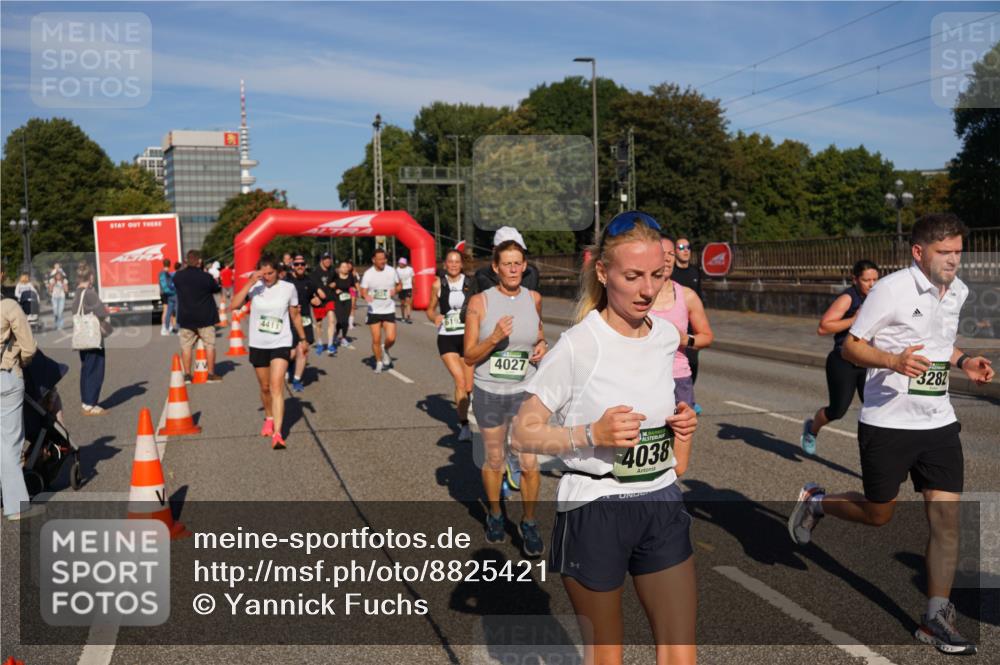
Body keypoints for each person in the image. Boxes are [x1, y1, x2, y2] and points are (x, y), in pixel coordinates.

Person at [789, 214, 994, 656]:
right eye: (944, 253)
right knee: (878, 513)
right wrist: (892, 362)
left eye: (958, 251)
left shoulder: (956, 291)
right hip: (888, 422)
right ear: (918, 252)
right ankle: (818, 503)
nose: (954, 261)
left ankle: (936, 615)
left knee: (947, 521)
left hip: (938, 419)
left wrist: (964, 362)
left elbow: (942, 342)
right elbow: (851, 345)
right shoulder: (892, 289)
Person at [511, 211, 699, 665]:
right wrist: (590, 433)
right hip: (595, 508)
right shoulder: (579, 344)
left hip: (660, 500)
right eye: (632, 276)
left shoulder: (667, 336)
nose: (647, 289)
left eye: (657, 275)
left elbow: (665, 417)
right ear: (603, 272)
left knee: (681, 655)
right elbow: (523, 432)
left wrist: (682, 427)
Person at [464, 237, 547, 556]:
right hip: (489, 391)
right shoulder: (479, 302)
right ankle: (496, 514)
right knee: (495, 459)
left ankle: (528, 522)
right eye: (506, 263)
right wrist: (495, 338)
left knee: (529, 463)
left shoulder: (535, 298)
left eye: (518, 263)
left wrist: (542, 346)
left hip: (525, 392)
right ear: (495, 268)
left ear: (524, 267)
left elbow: (537, 334)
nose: (512, 268)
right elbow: (469, 355)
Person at [800, 260, 880, 455]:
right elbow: (823, 327)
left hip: (868, 361)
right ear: (855, 280)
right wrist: (854, 319)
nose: (871, 284)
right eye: (866, 280)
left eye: (875, 279)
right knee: (837, 410)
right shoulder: (848, 298)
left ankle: (875, 454)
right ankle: (811, 430)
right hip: (843, 362)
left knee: (875, 411)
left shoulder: (881, 296)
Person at [650, 236, 713, 473]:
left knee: (678, 465)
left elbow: (707, 336)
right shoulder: (637, 294)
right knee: (645, 444)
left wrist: (686, 339)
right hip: (644, 377)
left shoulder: (686, 296)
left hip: (679, 377)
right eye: (661, 253)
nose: (666, 258)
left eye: (670, 254)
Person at [232, 255, 308, 450]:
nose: (267, 277)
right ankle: (269, 417)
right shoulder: (255, 288)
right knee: (265, 387)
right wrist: (250, 282)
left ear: (278, 272)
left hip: (281, 342)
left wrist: (302, 338)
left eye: (271, 273)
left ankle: (278, 433)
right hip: (259, 343)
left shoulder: (288, 288)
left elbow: (295, 315)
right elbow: (234, 305)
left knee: (276, 387)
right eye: (263, 273)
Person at [426, 249, 476, 443]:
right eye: (450, 262)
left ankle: (470, 412)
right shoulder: (439, 284)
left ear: (461, 264)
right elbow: (429, 310)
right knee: (460, 381)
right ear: (445, 264)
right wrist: (434, 317)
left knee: (469, 385)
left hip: (468, 337)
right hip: (447, 337)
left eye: (457, 262)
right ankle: (464, 425)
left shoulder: (471, 284)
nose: (453, 265)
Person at [2, 273, 38, 520]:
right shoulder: (8, 306)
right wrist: (20, 362)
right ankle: (15, 505)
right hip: (5, 376)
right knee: (10, 442)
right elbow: (29, 347)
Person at [172, 250, 222, 383]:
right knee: (209, 345)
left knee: (186, 346)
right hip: (205, 317)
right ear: (199, 261)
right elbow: (216, 288)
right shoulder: (206, 277)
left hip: (186, 318)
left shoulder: (178, 276)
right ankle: (211, 374)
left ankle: (187, 375)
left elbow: (176, 285)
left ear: (186, 261)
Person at [71, 265, 112, 415]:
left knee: (86, 369)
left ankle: (86, 402)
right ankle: (90, 403)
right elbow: (101, 312)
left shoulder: (77, 293)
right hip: (93, 337)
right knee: (95, 369)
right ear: (91, 277)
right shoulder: (89, 293)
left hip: (82, 337)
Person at [670, 236, 703, 413]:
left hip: (690, 328)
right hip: (674, 326)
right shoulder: (671, 273)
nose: (685, 250)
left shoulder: (695, 272)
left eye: (688, 247)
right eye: (681, 247)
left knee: (693, 362)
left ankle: (689, 393)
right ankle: (677, 399)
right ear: (675, 251)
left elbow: (699, 298)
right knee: (675, 364)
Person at [360, 249, 401, 374]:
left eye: (384, 259)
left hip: (388, 308)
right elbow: (363, 291)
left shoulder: (391, 270)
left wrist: (396, 290)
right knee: (376, 339)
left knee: (391, 338)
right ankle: (378, 362)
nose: (383, 261)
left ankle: (385, 348)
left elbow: (399, 285)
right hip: (374, 310)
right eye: (380, 259)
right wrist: (365, 296)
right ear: (374, 260)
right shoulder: (368, 274)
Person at [287, 255, 320, 392]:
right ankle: (289, 364)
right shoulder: (286, 281)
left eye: (302, 264)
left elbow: (315, 296)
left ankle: (296, 379)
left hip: (305, 319)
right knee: (292, 352)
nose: (299, 266)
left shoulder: (309, 281)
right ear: (292, 266)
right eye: (297, 264)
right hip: (289, 320)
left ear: (306, 265)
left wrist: (316, 301)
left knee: (304, 349)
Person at [475, 227, 541, 292]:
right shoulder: (483, 275)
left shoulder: (530, 273)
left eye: (517, 249)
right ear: (494, 251)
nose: (513, 269)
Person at [311, 252, 338, 355]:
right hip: (318, 301)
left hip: (329, 299)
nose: (328, 261)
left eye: (329, 259)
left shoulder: (332, 270)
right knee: (319, 324)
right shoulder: (315, 272)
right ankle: (320, 343)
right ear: (321, 260)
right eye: (325, 259)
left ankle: (330, 345)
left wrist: (335, 284)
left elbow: (337, 279)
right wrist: (317, 290)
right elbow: (311, 284)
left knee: (332, 320)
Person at [330, 260, 356, 352]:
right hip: (338, 300)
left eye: (346, 267)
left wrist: (353, 295)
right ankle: (336, 334)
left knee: (345, 321)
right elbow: (330, 287)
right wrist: (335, 290)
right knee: (340, 320)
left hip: (347, 300)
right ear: (339, 268)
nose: (345, 268)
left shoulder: (350, 277)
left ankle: (343, 338)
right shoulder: (335, 277)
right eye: (343, 267)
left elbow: (353, 287)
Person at [158, 258, 177, 336]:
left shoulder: (160, 273)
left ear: (163, 264)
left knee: (168, 310)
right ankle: (165, 328)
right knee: (167, 310)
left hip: (162, 293)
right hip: (168, 294)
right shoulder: (167, 273)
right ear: (169, 265)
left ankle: (168, 327)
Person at [47, 264, 68, 331]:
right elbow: (50, 289)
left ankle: (60, 326)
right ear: (55, 276)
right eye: (57, 275)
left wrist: (64, 286)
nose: (58, 276)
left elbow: (66, 290)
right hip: (55, 298)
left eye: (59, 275)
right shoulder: (52, 280)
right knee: (55, 312)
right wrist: (52, 286)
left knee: (60, 312)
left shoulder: (64, 281)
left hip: (61, 297)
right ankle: (56, 324)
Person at [396, 257, 415, 323]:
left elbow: (413, 279)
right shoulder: (397, 269)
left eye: (401, 263)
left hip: (408, 287)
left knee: (408, 302)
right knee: (402, 303)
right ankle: (403, 316)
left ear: (404, 264)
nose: (399, 264)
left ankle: (408, 317)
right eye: (399, 263)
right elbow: (396, 280)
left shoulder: (410, 269)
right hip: (401, 288)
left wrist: (414, 287)